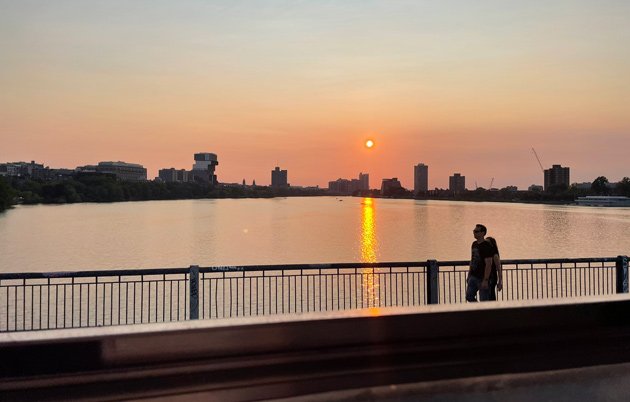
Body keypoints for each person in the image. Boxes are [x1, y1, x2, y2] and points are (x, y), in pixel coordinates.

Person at [466, 224, 494, 302]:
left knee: (484, 301)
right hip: (473, 276)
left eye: (476, 231)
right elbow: (472, 260)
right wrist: (469, 275)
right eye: (474, 231)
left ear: (483, 233)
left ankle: (483, 313)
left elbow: (489, 264)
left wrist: (485, 280)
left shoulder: (487, 246)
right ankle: (478, 310)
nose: (474, 233)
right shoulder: (474, 244)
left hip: (482, 278)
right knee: (469, 296)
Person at [486, 236, 503, 301]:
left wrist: (500, 282)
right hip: (487, 277)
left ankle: (493, 308)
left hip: (492, 277)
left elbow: (499, 268)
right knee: (487, 294)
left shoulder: (495, 255)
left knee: (491, 294)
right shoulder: (486, 254)